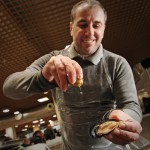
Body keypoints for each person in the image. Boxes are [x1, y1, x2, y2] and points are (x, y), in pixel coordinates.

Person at [3, 0, 143, 149]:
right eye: (82, 25)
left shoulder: (117, 63)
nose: (89, 32)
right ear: (71, 28)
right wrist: (44, 76)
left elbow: (131, 106)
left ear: (103, 29)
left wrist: (126, 120)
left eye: (96, 25)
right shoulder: (53, 60)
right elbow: (9, 88)